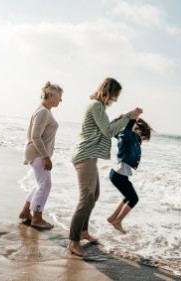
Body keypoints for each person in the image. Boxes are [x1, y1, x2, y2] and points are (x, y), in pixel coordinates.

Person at [67, 77, 142, 257]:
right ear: (108, 92)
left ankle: (83, 232)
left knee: (94, 196)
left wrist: (128, 117)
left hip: (89, 157)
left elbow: (108, 128)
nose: (114, 100)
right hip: (85, 156)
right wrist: (128, 116)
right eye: (114, 96)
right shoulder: (96, 106)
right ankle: (73, 241)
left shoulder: (97, 107)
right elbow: (109, 131)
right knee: (86, 199)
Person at [18, 81, 63, 230]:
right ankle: (37, 218)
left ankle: (25, 212)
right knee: (45, 185)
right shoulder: (43, 111)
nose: (60, 100)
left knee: (40, 184)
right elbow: (35, 136)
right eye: (59, 97)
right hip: (37, 153)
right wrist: (46, 157)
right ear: (51, 95)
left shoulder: (45, 110)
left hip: (37, 153)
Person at [107, 118, 152, 234]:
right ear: (139, 132)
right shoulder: (128, 136)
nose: (142, 141)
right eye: (143, 138)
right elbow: (127, 130)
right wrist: (132, 117)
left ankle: (113, 218)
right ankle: (118, 221)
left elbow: (113, 129)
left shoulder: (129, 138)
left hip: (120, 174)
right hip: (118, 175)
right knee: (134, 199)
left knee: (128, 197)